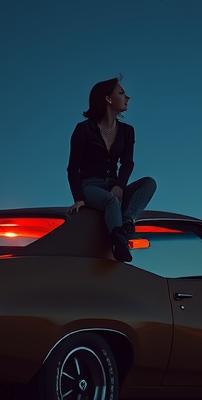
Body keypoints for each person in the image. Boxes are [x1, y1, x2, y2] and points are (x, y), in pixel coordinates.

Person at [66, 76, 157, 262]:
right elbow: (73, 168)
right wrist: (79, 199)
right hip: (90, 186)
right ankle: (118, 244)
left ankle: (125, 224)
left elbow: (127, 163)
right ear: (108, 98)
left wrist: (120, 186)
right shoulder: (84, 129)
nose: (127, 97)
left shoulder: (127, 131)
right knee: (111, 201)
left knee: (149, 183)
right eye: (122, 93)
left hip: (114, 186)